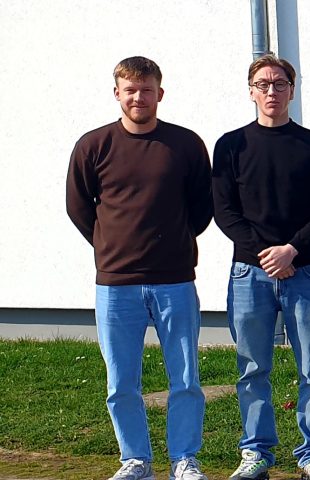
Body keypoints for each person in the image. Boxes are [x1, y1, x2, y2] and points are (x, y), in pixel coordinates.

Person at [66, 56, 213, 480]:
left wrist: (175, 241)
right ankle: (135, 460)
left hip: (174, 280)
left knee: (185, 378)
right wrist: (110, 245)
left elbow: (202, 207)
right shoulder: (94, 146)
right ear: (117, 93)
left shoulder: (185, 144)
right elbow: (78, 206)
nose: (138, 97)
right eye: (130, 90)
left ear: (159, 93)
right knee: (120, 382)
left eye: (146, 90)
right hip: (116, 284)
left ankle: (184, 459)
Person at [212, 54, 310, 480]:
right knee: (252, 368)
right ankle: (255, 453)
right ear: (251, 91)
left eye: (280, 84)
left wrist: (292, 250)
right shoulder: (231, 145)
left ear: (292, 90)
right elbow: (224, 211)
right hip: (249, 273)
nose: (271, 91)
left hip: (306, 271)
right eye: (263, 84)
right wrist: (267, 253)